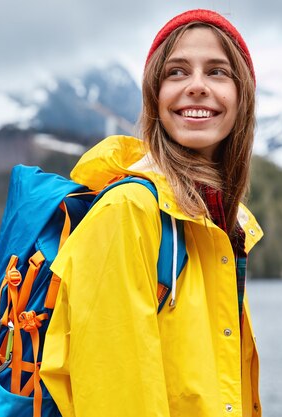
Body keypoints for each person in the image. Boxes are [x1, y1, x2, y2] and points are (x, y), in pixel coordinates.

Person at [40, 9, 264, 417]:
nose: (197, 86)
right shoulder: (126, 212)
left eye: (217, 72)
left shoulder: (222, 226)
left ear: (242, 96)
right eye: (177, 72)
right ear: (154, 97)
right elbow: (116, 400)